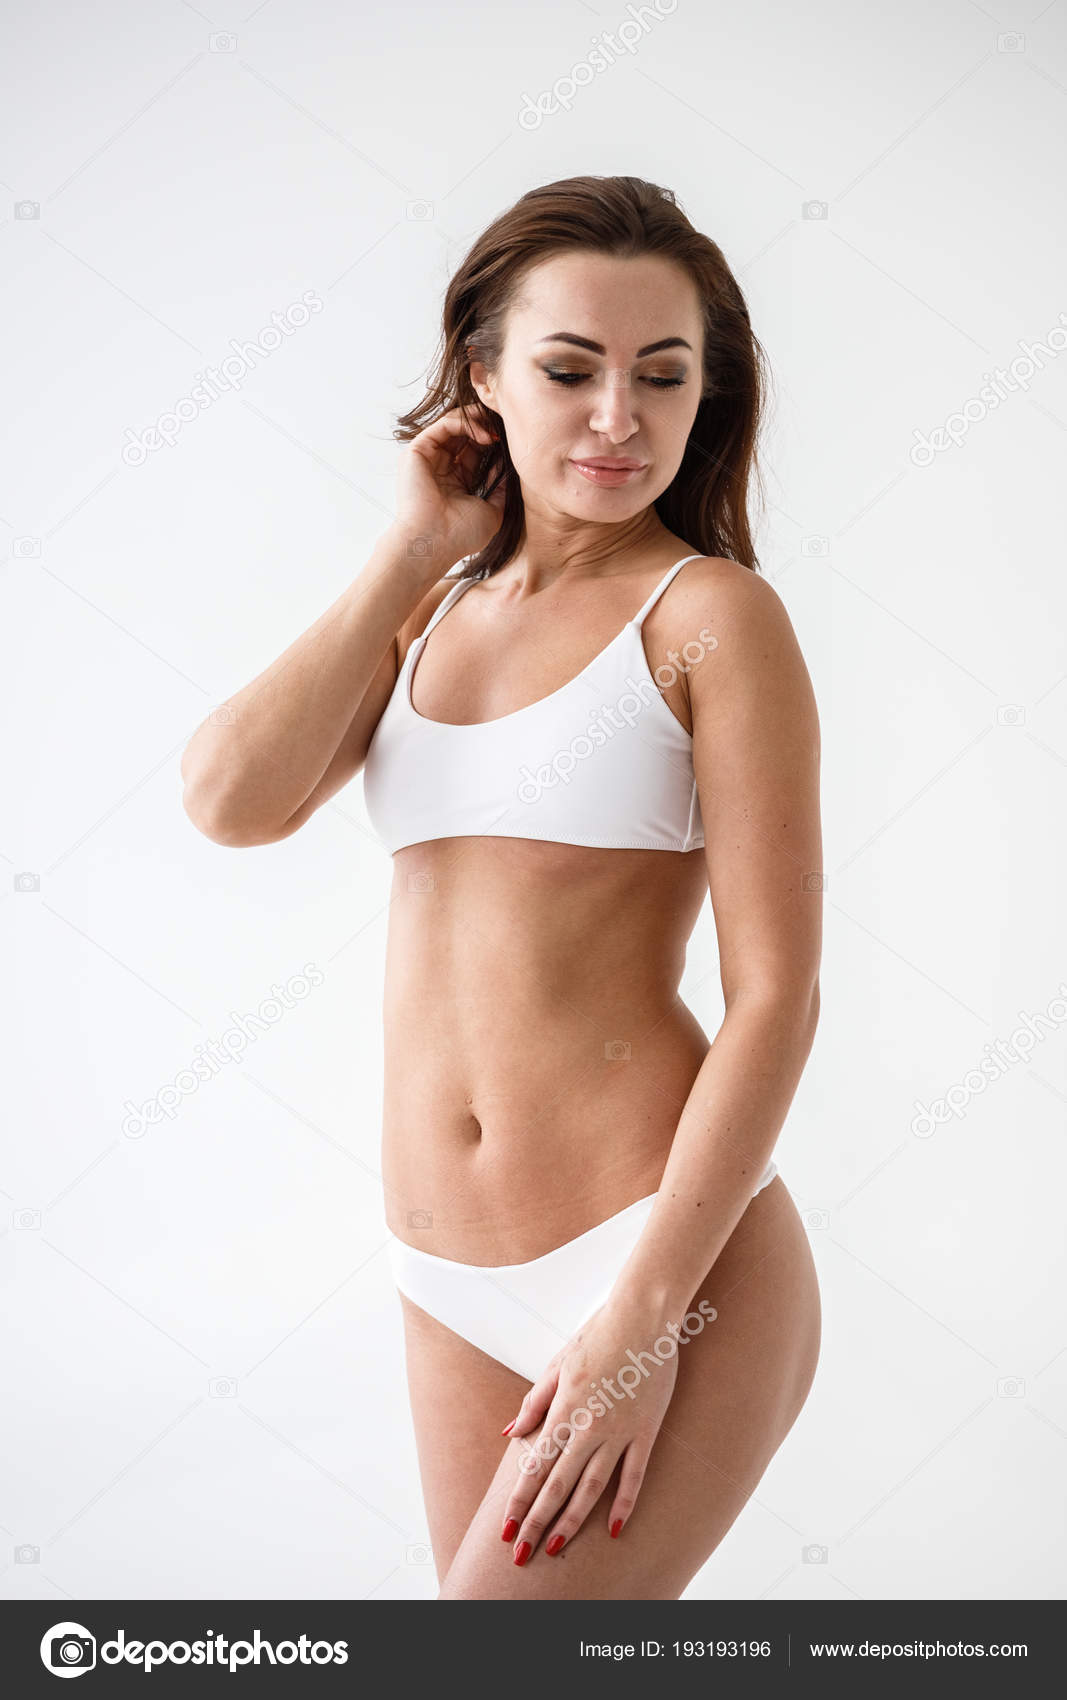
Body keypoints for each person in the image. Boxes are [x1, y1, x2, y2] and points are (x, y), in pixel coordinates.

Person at [181, 174, 823, 1601]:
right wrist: (414, 545)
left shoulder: (711, 618)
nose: (619, 417)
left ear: (707, 396)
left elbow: (776, 994)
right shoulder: (435, 610)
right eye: (569, 368)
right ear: (482, 375)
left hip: (664, 1262)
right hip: (445, 1280)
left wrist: (643, 1323)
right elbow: (229, 799)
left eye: (665, 376)